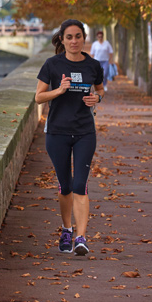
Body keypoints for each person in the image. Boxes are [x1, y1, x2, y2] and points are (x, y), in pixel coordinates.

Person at [35, 19, 104, 256]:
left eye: (78, 36)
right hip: (57, 133)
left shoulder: (93, 65)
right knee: (65, 186)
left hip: (85, 131)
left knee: (80, 184)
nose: (74, 41)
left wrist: (98, 99)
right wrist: (59, 91)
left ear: (84, 38)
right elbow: (38, 98)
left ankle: (81, 237)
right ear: (62, 40)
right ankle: (66, 229)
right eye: (69, 37)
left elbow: (100, 89)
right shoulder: (52, 65)